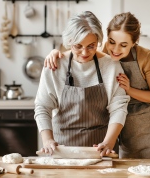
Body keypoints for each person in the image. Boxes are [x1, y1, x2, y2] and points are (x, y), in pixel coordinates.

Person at [44, 12, 150, 159]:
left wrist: (129, 90)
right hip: (123, 132)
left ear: (134, 42)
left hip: (148, 129)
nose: (116, 49)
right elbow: (81, 49)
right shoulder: (105, 55)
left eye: (123, 45)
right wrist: (55, 53)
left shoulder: (145, 58)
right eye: (111, 42)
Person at [34, 11, 130, 157]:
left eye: (91, 46)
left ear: (98, 41)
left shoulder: (111, 66)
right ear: (69, 42)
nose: (85, 52)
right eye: (78, 46)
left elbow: (119, 108)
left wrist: (108, 143)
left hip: (101, 150)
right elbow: (42, 106)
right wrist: (47, 140)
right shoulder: (55, 65)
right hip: (62, 150)